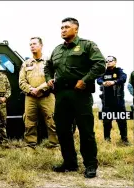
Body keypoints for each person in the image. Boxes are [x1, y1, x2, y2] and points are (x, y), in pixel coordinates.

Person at [44, 17, 106, 178]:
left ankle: (90, 165)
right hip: (61, 95)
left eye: (66, 27)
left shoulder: (87, 45)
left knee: (86, 131)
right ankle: (69, 163)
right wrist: (49, 78)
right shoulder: (57, 49)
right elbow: (48, 66)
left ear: (76, 29)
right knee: (63, 130)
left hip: (81, 95)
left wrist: (85, 80)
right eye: (61, 27)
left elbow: (100, 64)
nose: (63, 30)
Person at [18, 37, 58, 149]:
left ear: (41, 45)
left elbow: (54, 78)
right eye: (30, 44)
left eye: (34, 44)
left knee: (52, 120)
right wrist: (31, 90)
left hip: (47, 96)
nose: (32, 46)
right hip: (31, 97)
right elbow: (21, 81)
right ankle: (30, 145)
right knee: (29, 121)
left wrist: (40, 89)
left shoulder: (49, 62)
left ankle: (54, 145)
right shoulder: (26, 63)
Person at [97, 56, 130, 145]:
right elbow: (98, 79)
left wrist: (114, 82)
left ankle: (124, 139)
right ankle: (107, 140)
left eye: (110, 60)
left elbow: (123, 78)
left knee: (122, 121)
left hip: (118, 102)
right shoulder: (103, 72)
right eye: (106, 61)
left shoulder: (119, 71)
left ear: (115, 62)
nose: (108, 62)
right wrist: (103, 82)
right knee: (106, 122)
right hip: (106, 102)